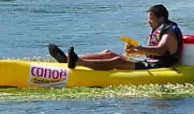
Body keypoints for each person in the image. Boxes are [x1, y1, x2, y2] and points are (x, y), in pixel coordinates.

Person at [48, 4, 182, 71]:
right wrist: (136, 51)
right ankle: (67, 58)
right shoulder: (159, 28)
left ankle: (78, 63)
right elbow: (153, 51)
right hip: (152, 61)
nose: (149, 22)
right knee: (108, 53)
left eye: (151, 19)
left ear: (162, 18)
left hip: (159, 67)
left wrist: (139, 48)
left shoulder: (169, 31)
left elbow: (160, 49)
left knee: (117, 60)